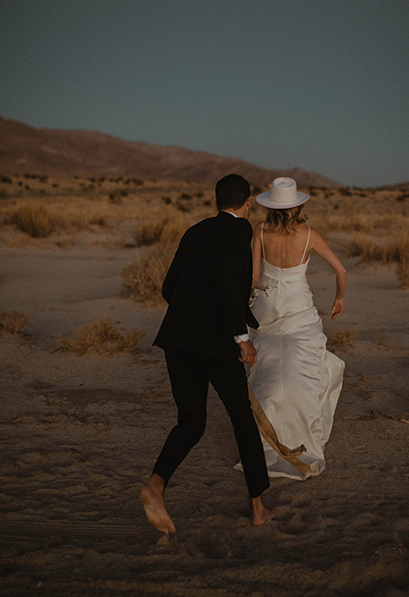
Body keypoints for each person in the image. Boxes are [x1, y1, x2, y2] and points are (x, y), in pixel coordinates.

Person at [139, 174, 273, 533]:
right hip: (216, 343)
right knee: (242, 419)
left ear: (216, 202)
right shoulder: (240, 231)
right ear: (246, 203)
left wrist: (191, 315)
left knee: (191, 421)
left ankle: (155, 486)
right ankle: (259, 509)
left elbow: (169, 287)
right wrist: (242, 338)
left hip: (177, 339)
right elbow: (229, 287)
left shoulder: (194, 231)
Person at [236, 177, 346, 480]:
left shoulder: (259, 230)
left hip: (267, 308)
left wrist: (243, 304)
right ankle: (302, 427)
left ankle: (267, 431)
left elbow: (256, 276)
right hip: (298, 310)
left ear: (270, 204)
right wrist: (338, 298)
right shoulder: (309, 234)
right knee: (303, 364)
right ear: (298, 205)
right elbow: (340, 269)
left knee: (269, 365)